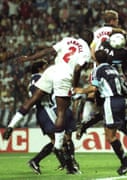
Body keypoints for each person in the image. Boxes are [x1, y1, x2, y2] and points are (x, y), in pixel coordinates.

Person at [2, 29, 93, 173]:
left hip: (52, 70)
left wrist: (29, 58)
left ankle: (11, 124)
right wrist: (74, 85)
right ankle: (57, 147)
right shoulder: (86, 51)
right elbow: (77, 68)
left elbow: (48, 51)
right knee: (61, 112)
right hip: (64, 76)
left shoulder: (68, 40)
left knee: (33, 99)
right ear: (91, 40)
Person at [2, 60, 79, 174]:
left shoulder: (33, 80)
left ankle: (67, 166)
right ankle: (66, 166)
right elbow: (37, 96)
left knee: (57, 141)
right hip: (45, 110)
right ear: (41, 68)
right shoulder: (40, 79)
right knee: (61, 140)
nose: (48, 68)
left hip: (42, 111)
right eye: (46, 66)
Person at [75, 9, 127, 139]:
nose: (118, 22)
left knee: (105, 106)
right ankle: (123, 122)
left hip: (100, 69)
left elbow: (92, 52)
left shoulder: (96, 34)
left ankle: (84, 125)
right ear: (112, 21)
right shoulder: (113, 33)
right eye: (117, 20)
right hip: (112, 70)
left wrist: (97, 64)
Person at [74, 50, 127, 175]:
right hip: (120, 100)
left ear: (95, 59)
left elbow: (94, 87)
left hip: (110, 101)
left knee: (110, 136)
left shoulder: (98, 70)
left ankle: (126, 162)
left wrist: (80, 90)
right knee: (110, 133)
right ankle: (124, 127)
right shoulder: (113, 70)